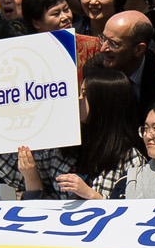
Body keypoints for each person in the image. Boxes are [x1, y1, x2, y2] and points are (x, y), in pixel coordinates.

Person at [50, 69, 144, 200]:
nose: (78, 99)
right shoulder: (67, 145)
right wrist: (30, 174)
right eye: (79, 93)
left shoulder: (130, 158)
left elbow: (135, 207)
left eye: (85, 94)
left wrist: (91, 195)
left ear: (103, 102)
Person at [102, 10, 155, 113]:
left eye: (114, 43)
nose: (103, 49)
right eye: (103, 39)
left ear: (138, 49)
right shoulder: (95, 68)